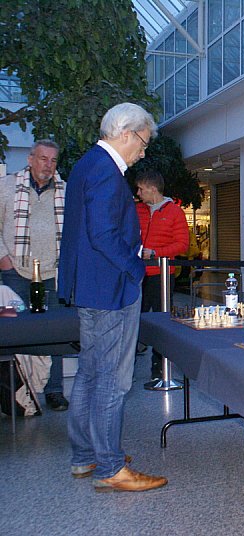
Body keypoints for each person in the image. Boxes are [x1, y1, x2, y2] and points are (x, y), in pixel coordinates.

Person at [58, 102, 167, 492]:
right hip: (110, 288)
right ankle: (109, 467)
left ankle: (86, 455)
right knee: (112, 380)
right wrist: (136, 268)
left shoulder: (86, 164)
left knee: (89, 373)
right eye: (143, 142)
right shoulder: (106, 170)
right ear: (126, 134)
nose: (143, 152)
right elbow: (103, 234)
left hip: (90, 286)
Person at [0, 140, 70, 411]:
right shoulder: (7, 186)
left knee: (55, 333)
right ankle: (17, 393)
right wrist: (3, 259)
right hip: (14, 273)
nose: (48, 165)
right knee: (14, 331)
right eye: (43, 158)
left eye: (53, 160)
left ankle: (54, 391)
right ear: (30, 159)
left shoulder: (65, 191)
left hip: (52, 273)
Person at [135, 169, 189, 381]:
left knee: (161, 321)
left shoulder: (175, 212)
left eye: (141, 189)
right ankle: (127, 367)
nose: (138, 193)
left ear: (153, 189)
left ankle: (159, 369)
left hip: (162, 275)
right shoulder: (137, 210)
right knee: (133, 319)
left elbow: (182, 244)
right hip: (137, 274)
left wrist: (156, 253)